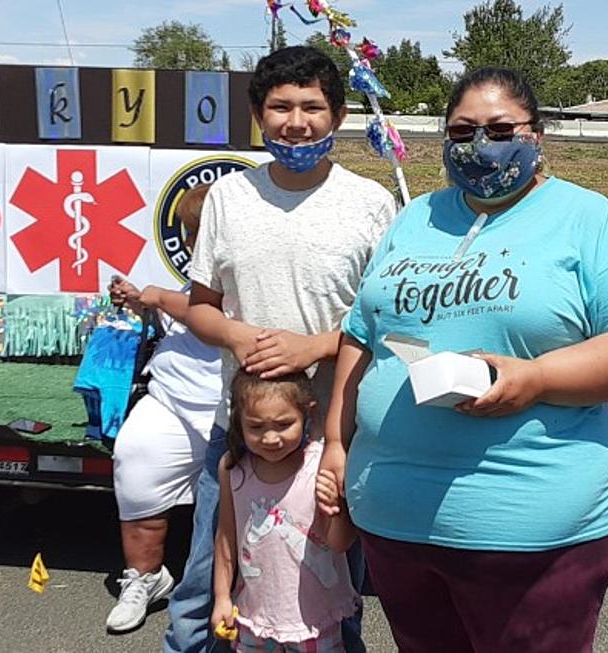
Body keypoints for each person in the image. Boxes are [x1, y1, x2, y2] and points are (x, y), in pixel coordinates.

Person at [319, 67, 608, 652]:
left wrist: (537, 379)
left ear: (535, 135)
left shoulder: (584, 217)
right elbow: (362, 333)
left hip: (532, 530)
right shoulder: (416, 217)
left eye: (499, 128)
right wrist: (336, 443)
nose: (479, 145)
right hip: (393, 522)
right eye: (461, 131)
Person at [166, 45, 398, 653]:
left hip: (336, 437)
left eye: (313, 107)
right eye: (280, 107)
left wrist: (315, 347)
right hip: (244, 434)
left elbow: (390, 323)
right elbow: (200, 308)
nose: (297, 122)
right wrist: (242, 335)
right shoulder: (227, 198)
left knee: (333, 586)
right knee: (205, 583)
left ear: (339, 116)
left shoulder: (372, 204)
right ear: (258, 115)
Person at [105, 184, 223, 633]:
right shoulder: (184, 283)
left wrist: (159, 297)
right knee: (136, 456)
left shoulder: (256, 273)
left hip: (237, 405)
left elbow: (218, 317)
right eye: (192, 232)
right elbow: (177, 312)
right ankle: (146, 577)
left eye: (204, 231)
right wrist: (141, 301)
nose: (196, 241)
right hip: (172, 398)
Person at [211, 370, 359, 652]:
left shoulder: (320, 466)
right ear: (238, 421)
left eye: (283, 424)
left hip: (314, 620)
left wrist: (338, 510)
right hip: (253, 616)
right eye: (255, 427)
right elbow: (226, 538)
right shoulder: (232, 468)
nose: (270, 438)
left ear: (308, 414)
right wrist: (221, 597)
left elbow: (340, 543)